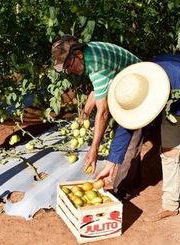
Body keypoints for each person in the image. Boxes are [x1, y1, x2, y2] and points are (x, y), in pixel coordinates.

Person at [96, 54, 180, 238]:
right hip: (171, 111)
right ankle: (169, 205)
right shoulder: (140, 85)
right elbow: (127, 127)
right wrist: (111, 163)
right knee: (169, 154)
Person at [51, 35, 144, 197]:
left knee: (129, 135)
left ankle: (122, 189)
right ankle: (131, 179)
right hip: (127, 83)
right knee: (124, 133)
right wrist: (85, 113)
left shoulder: (97, 65)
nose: (69, 71)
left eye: (68, 65)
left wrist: (93, 149)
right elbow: (98, 87)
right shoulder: (90, 53)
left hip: (140, 87)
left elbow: (103, 113)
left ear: (78, 55)